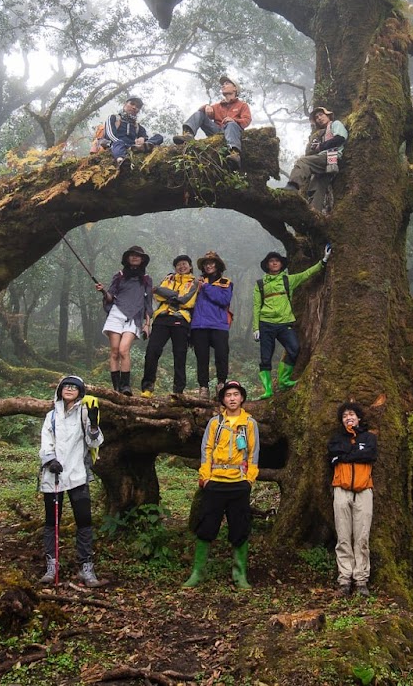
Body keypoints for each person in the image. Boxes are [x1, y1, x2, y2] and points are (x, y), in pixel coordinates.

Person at [183, 380, 259, 589]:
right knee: (207, 525)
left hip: (239, 483)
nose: (232, 398)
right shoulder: (215, 423)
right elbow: (206, 450)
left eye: (236, 394)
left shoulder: (249, 424)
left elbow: (253, 454)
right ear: (223, 400)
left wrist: (249, 479)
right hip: (215, 482)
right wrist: (205, 477)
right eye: (228, 395)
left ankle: (239, 574)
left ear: (242, 398)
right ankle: (197, 573)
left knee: (240, 526)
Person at [38, 374, 104, 587]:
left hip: (77, 473)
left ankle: (86, 566)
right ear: (59, 390)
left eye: (73, 387)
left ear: (80, 392)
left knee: (84, 519)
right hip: (54, 474)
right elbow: (46, 441)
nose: (68, 389)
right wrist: (50, 460)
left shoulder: (85, 413)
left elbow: (94, 443)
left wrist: (93, 425)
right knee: (52, 521)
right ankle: (52, 564)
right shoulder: (52, 416)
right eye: (65, 386)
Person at [252, 245, 329, 399]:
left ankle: (284, 380)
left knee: (294, 348)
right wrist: (256, 327)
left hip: (285, 322)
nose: (274, 263)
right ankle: (267, 390)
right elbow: (256, 306)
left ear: (281, 264)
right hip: (266, 323)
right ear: (267, 265)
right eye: (271, 261)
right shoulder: (260, 284)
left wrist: (324, 261)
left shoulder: (288, 280)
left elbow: (307, 274)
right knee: (265, 357)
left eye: (277, 261)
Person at [327, 402, 377, 597]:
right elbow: (332, 455)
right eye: (345, 416)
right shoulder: (336, 439)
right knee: (343, 536)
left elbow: (370, 455)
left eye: (352, 415)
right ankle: (344, 579)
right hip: (342, 489)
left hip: (364, 490)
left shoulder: (369, 438)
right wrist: (354, 455)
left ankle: (362, 579)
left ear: (358, 418)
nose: (348, 418)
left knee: (362, 537)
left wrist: (345, 456)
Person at [98, 246, 152, 393]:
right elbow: (110, 296)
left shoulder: (146, 279)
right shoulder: (120, 275)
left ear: (142, 260)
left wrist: (147, 324)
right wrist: (103, 291)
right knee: (115, 351)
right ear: (127, 258)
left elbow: (148, 303)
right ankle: (116, 388)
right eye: (132, 255)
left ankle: (125, 386)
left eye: (138, 256)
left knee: (123, 350)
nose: (135, 258)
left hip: (134, 317)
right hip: (117, 313)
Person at [141, 254, 197, 396]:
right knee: (152, 351)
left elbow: (187, 301)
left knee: (179, 355)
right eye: (178, 264)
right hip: (162, 317)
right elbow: (158, 294)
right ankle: (147, 387)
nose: (181, 266)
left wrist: (168, 294)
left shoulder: (194, 282)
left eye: (185, 264)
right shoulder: (168, 278)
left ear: (190, 266)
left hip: (182, 318)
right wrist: (175, 295)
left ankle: (178, 392)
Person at [174, 75, 251, 168]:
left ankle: (234, 153)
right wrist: (206, 106)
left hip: (232, 132)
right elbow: (201, 113)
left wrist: (234, 120)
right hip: (217, 131)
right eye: (222, 84)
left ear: (235, 88)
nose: (223, 86)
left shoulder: (242, 105)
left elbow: (247, 120)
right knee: (199, 113)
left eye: (227, 84)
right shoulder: (218, 106)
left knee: (230, 124)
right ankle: (188, 134)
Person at [285, 105, 348, 212]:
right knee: (317, 187)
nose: (319, 118)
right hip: (327, 162)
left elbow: (340, 138)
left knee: (303, 162)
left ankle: (292, 186)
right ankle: (315, 213)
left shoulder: (335, 124)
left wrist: (321, 146)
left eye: (321, 115)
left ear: (328, 115)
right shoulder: (323, 133)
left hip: (330, 156)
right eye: (316, 118)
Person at [189, 251, 235, 397]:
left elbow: (223, 300)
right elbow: (189, 302)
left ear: (217, 265)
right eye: (206, 264)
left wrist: (206, 287)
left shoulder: (225, 283)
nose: (208, 266)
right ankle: (203, 387)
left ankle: (221, 384)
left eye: (211, 263)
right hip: (199, 325)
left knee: (222, 355)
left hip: (218, 324)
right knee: (202, 357)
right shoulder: (196, 282)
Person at [103, 96, 164, 165]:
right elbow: (109, 135)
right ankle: (121, 160)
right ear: (125, 104)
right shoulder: (113, 118)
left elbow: (144, 136)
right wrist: (121, 143)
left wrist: (142, 138)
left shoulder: (137, 126)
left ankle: (142, 148)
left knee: (159, 137)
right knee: (119, 143)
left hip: (133, 147)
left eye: (137, 107)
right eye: (132, 104)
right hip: (117, 144)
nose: (134, 107)